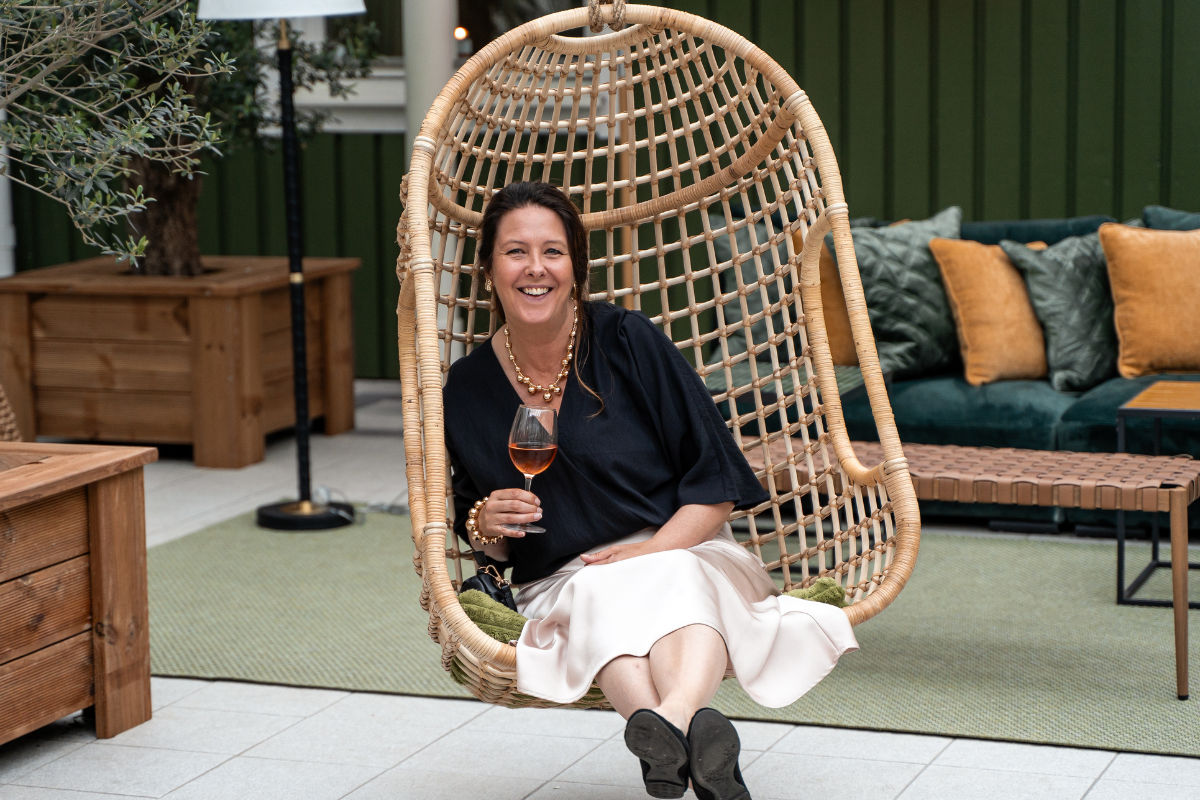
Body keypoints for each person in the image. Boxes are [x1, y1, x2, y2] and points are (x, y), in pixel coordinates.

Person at [443, 181, 858, 800]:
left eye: (553, 252)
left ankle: (666, 724)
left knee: (665, 583)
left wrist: (653, 549)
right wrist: (486, 522)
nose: (536, 268)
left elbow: (716, 483)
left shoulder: (627, 341)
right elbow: (485, 540)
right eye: (515, 252)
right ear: (488, 269)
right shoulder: (466, 387)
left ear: (576, 268)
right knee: (598, 595)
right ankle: (687, 731)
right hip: (567, 578)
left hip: (686, 550)